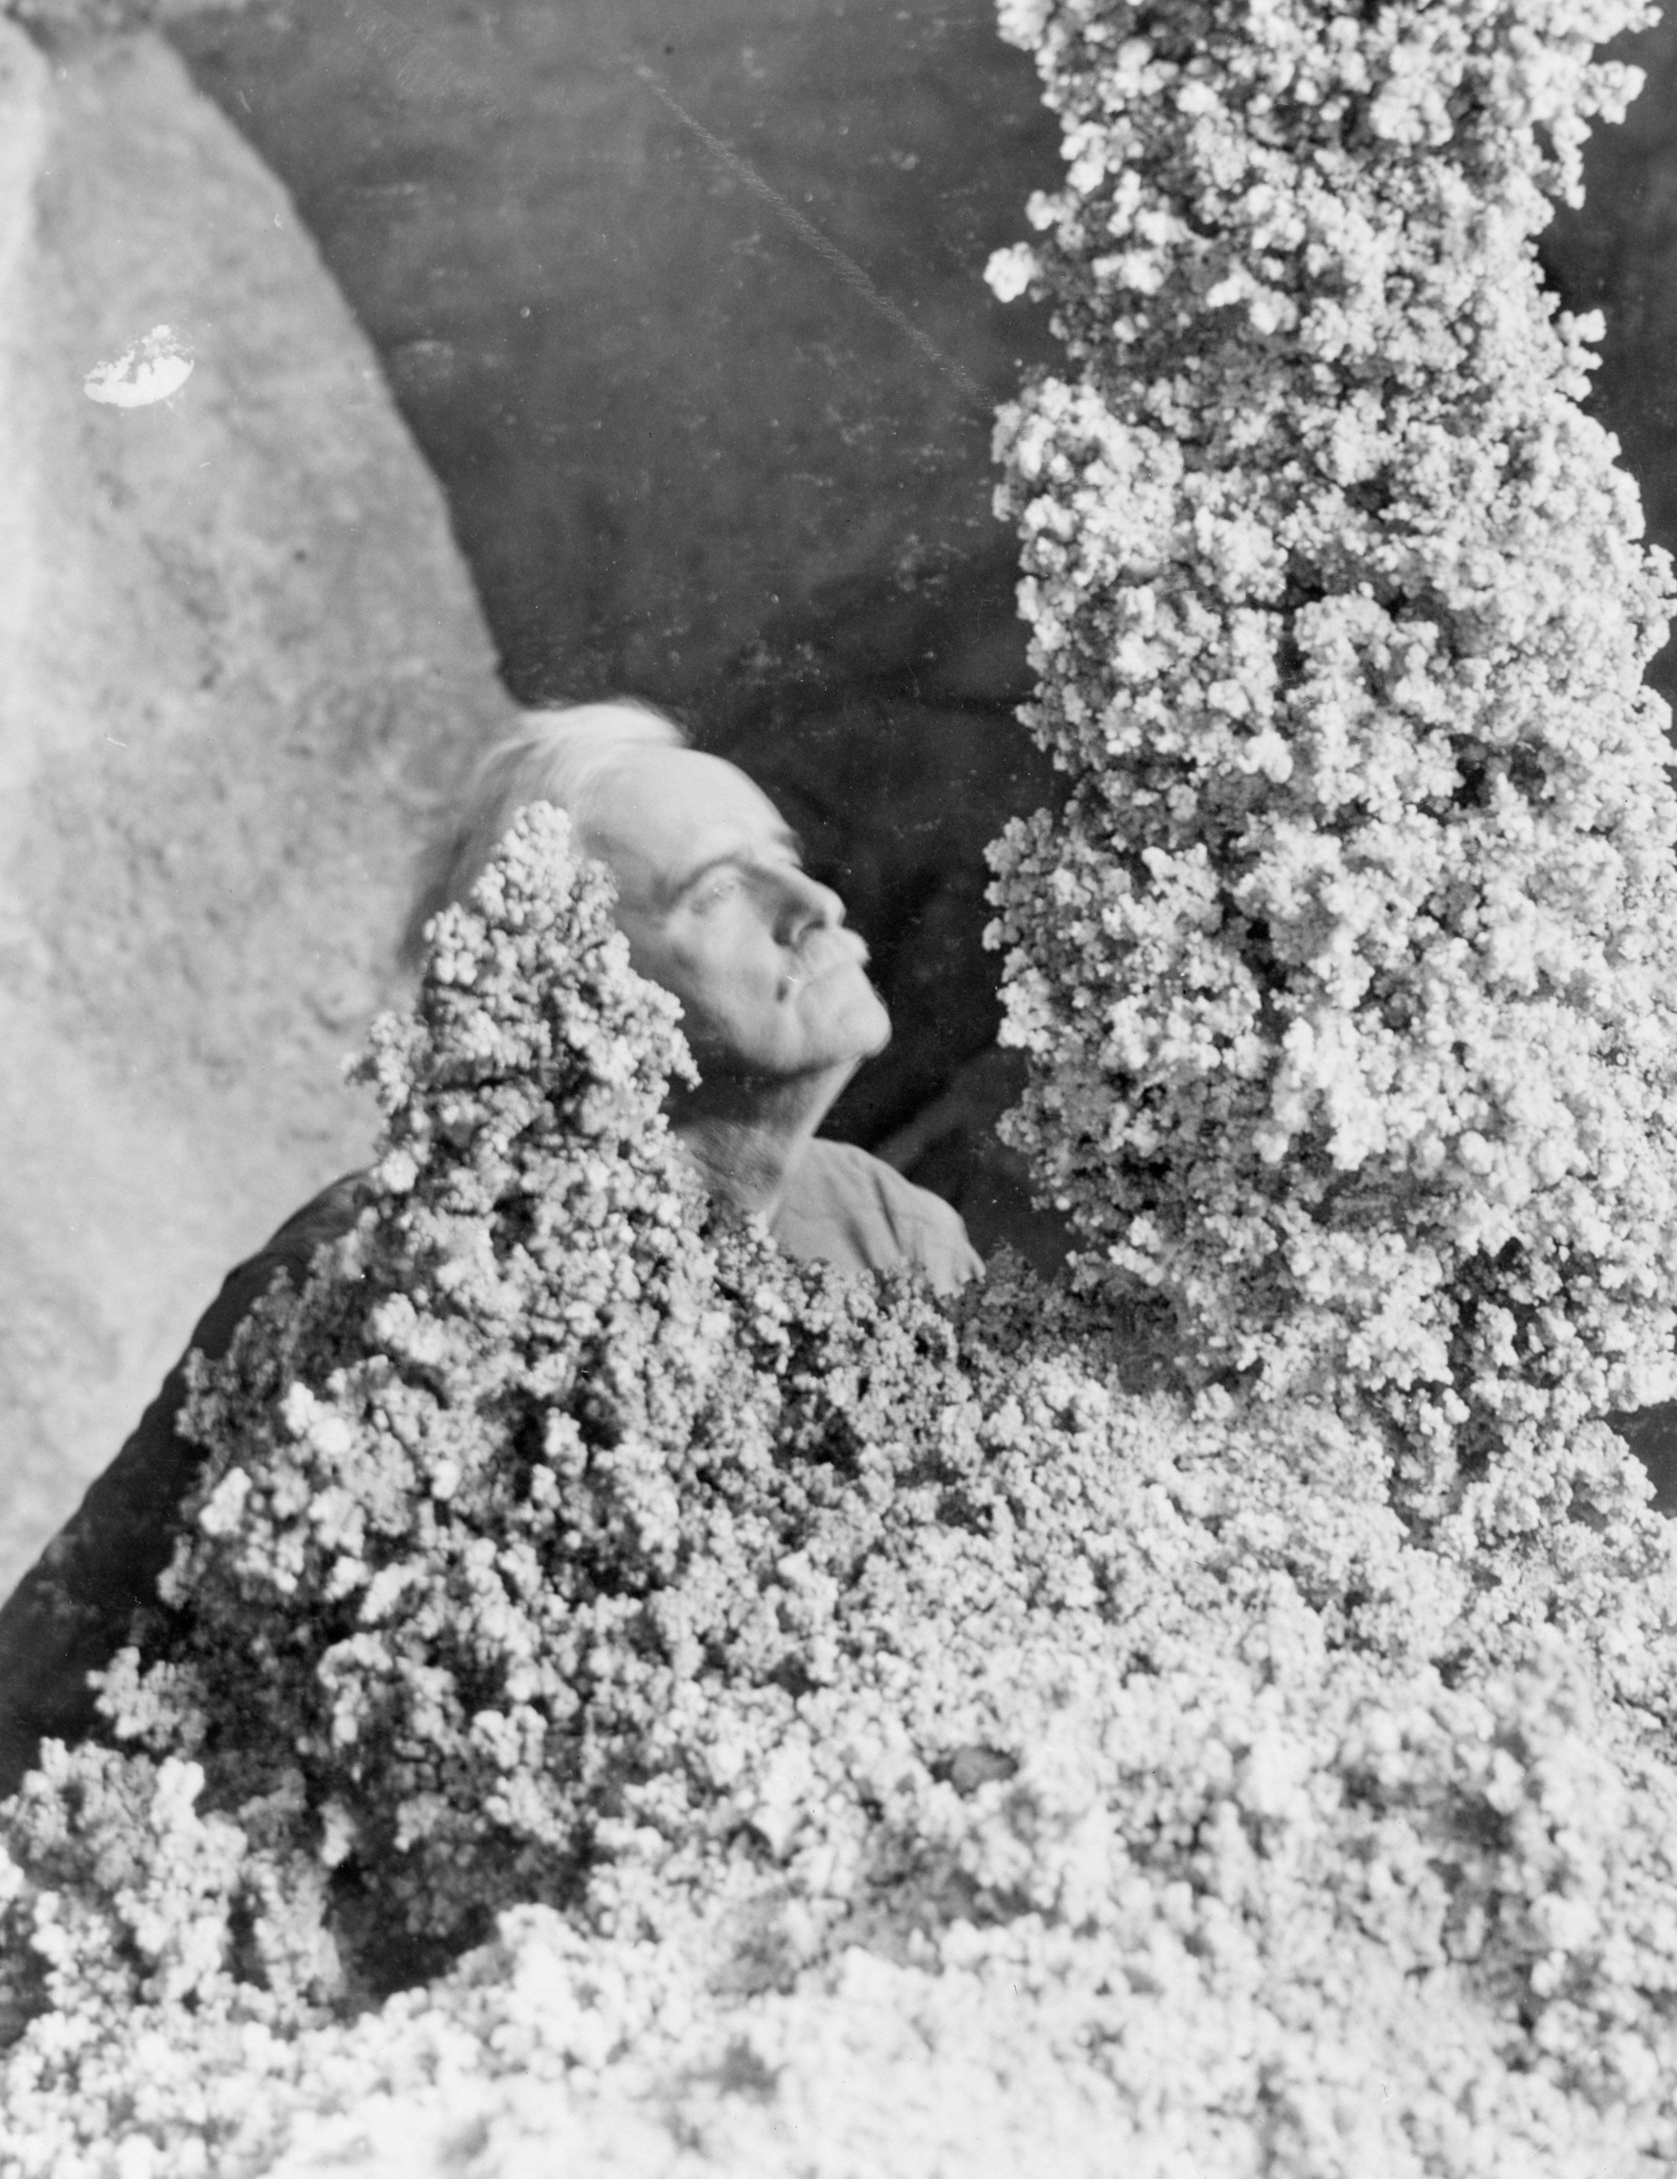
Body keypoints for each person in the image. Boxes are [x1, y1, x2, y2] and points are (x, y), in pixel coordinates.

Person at [0, 703, 979, 1786]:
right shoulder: (380, 1277)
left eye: (781, 857)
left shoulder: (896, 1236)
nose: (813, 906)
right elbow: (49, 1694)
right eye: (713, 893)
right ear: (578, 1001)